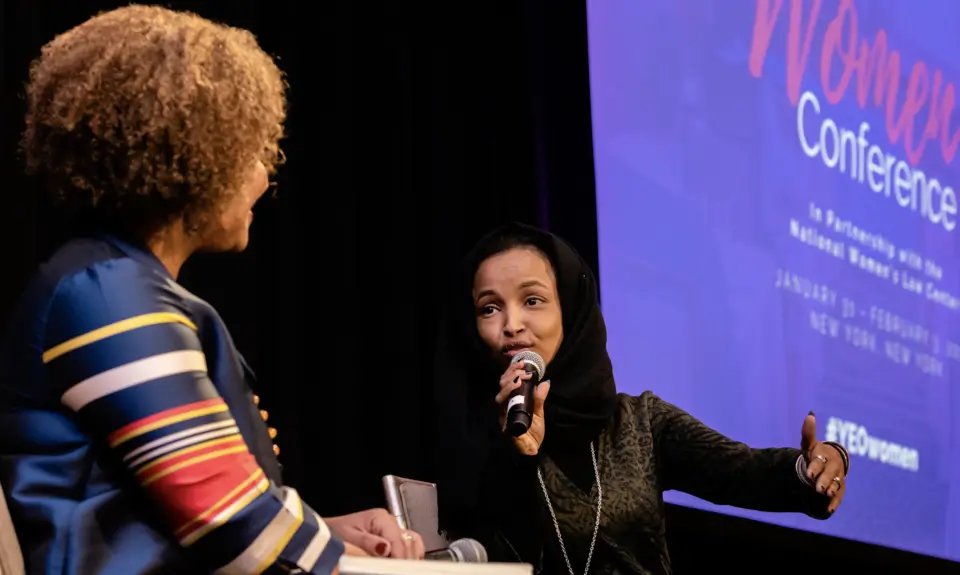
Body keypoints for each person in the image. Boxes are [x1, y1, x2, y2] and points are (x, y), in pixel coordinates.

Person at [0, 6, 423, 574]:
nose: (264, 177)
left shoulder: (111, 283)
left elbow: (191, 512)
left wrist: (318, 530)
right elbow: (231, 528)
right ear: (191, 158)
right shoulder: (107, 291)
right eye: (249, 151)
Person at [433, 222, 851, 574]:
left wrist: (811, 469)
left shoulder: (639, 424)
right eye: (490, 308)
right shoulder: (469, 434)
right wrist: (516, 455)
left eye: (533, 300)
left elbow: (742, 471)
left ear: (571, 310)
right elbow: (484, 549)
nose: (512, 324)